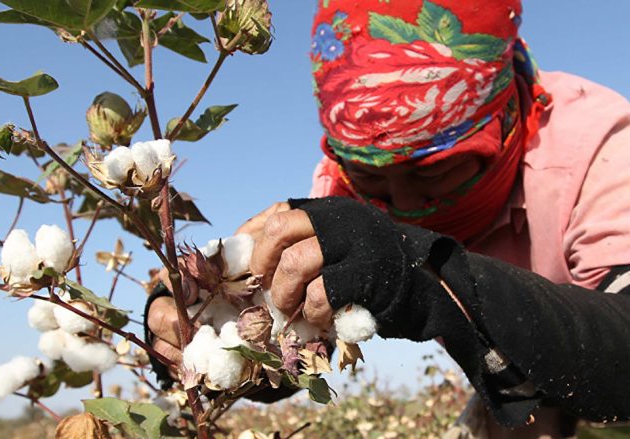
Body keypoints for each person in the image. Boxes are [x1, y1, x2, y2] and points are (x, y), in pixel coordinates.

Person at [146, 0, 630, 437]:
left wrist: (422, 272)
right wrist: (205, 329)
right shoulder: (341, 187)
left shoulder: (599, 148)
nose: (404, 204)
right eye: (373, 180)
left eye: (437, 172)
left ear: (502, 122)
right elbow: (301, 349)